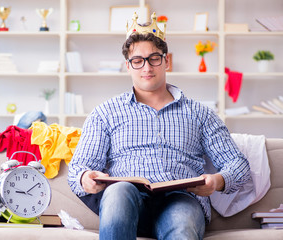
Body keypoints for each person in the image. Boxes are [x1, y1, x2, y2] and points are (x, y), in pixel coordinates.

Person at [68, 12, 251, 240]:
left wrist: (217, 181)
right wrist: (85, 177)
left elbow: (238, 164)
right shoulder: (105, 113)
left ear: (167, 61)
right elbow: (78, 168)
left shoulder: (200, 114)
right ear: (128, 66)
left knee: (182, 227)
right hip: (126, 198)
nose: (146, 67)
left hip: (181, 199)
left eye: (154, 58)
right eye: (138, 61)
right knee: (118, 193)